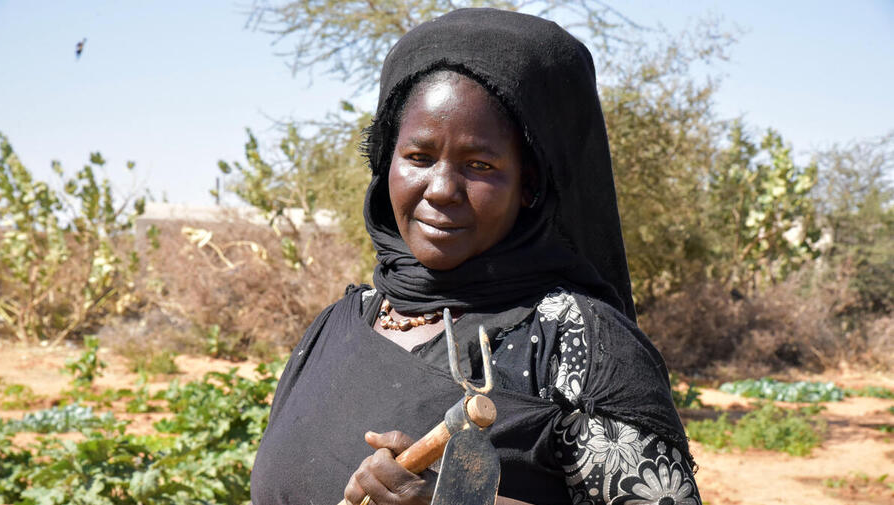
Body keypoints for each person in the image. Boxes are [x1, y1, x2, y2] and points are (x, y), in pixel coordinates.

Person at [251, 8, 700, 505]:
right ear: (386, 164)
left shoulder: (573, 342)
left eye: (480, 164)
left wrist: (457, 500)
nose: (441, 190)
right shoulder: (340, 323)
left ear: (529, 184)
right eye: (419, 157)